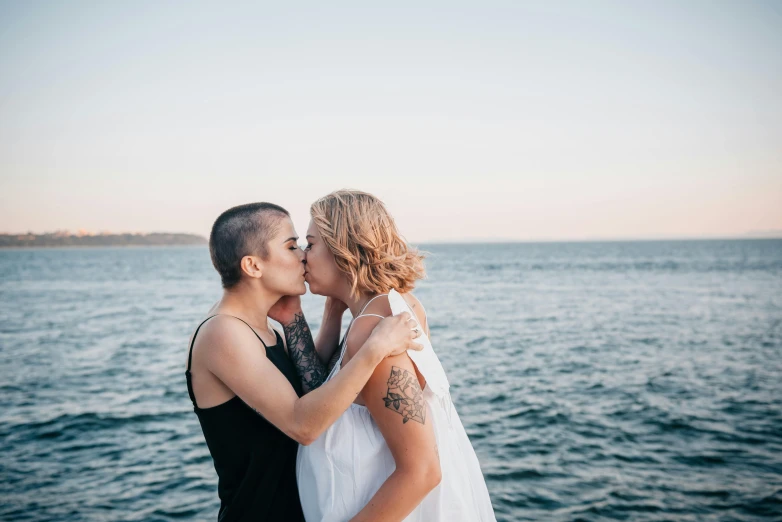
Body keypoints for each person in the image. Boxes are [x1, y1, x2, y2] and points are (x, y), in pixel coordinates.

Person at [185, 202, 424, 521]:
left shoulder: (263, 328)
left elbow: (316, 390)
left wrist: (321, 315)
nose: (302, 255)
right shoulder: (222, 332)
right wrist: (374, 349)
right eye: (291, 245)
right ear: (254, 266)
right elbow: (304, 424)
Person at [296, 190, 496, 521]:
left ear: (343, 248)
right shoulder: (398, 305)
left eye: (311, 243)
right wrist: (335, 309)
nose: (303, 256)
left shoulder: (374, 329)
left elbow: (423, 472)